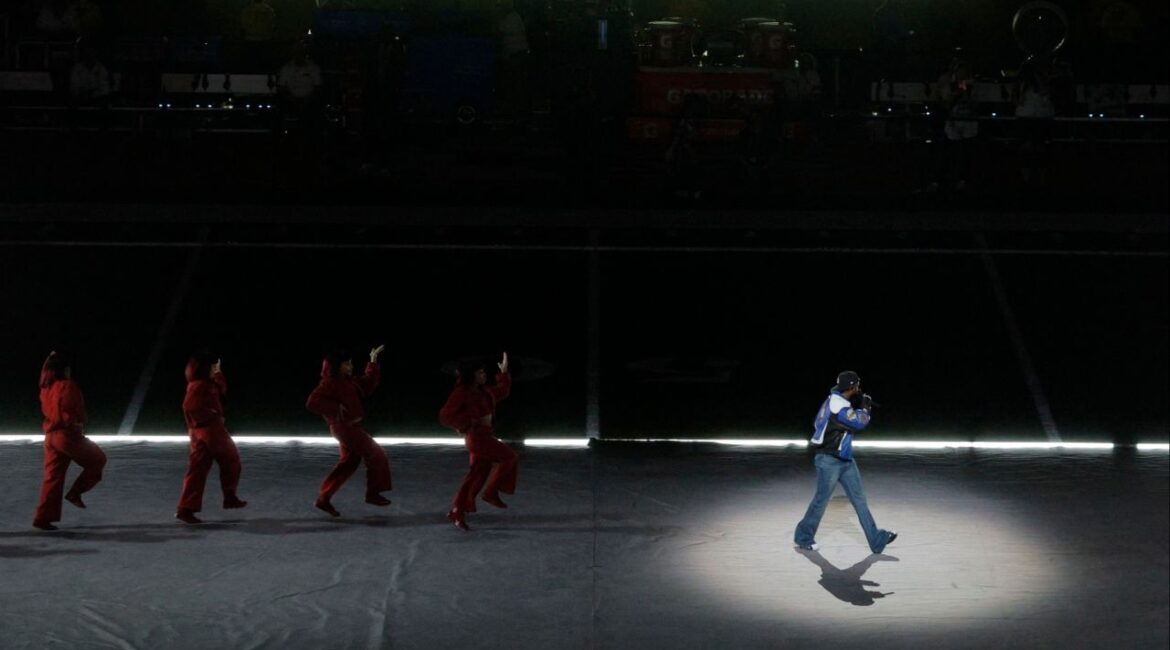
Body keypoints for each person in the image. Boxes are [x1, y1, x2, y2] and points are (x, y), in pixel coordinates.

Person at [794, 371, 897, 554]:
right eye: (857, 385)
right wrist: (865, 408)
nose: (859, 387)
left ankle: (877, 540)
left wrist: (856, 408)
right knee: (821, 500)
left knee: (859, 501)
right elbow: (859, 423)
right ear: (851, 387)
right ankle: (803, 537)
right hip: (829, 460)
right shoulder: (838, 404)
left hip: (845, 460)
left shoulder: (835, 400)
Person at [306, 345, 392, 517]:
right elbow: (312, 402)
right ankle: (373, 493)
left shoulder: (349, 381)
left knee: (349, 463)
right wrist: (335, 409)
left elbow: (368, 383)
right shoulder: (329, 383)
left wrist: (373, 361)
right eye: (347, 364)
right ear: (336, 367)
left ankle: (324, 499)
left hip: (350, 427)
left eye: (351, 364)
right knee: (376, 453)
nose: (351, 367)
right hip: (344, 428)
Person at [439, 352, 516, 531]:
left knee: (477, 474)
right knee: (510, 457)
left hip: (484, 436)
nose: (484, 375)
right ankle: (490, 493)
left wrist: (504, 373)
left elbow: (502, 391)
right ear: (470, 374)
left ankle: (458, 511)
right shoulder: (462, 392)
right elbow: (445, 416)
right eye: (480, 372)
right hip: (477, 438)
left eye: (483, 372)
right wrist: (467, 424)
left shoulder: (484, 391)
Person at [33, 351, 107, 531]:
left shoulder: (45, 386)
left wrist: (48, 358)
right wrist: (81, 422)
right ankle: (76, 492)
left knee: (53, 477)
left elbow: (46, 371)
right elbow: (75, 408)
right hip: (66, 435)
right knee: (98, 459)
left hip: (50, 436)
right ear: (64, 370)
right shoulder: (68, 386)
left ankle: (43, 518)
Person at [175, 354, 247, 525]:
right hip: (210, 429)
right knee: (231, 460)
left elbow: (220, 388)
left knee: (197, 469)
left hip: (199, 431)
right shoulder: (201, 386)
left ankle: (185, 508)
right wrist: (212, 417)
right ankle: (229, 496)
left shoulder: (201, 384)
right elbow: (189, 407)